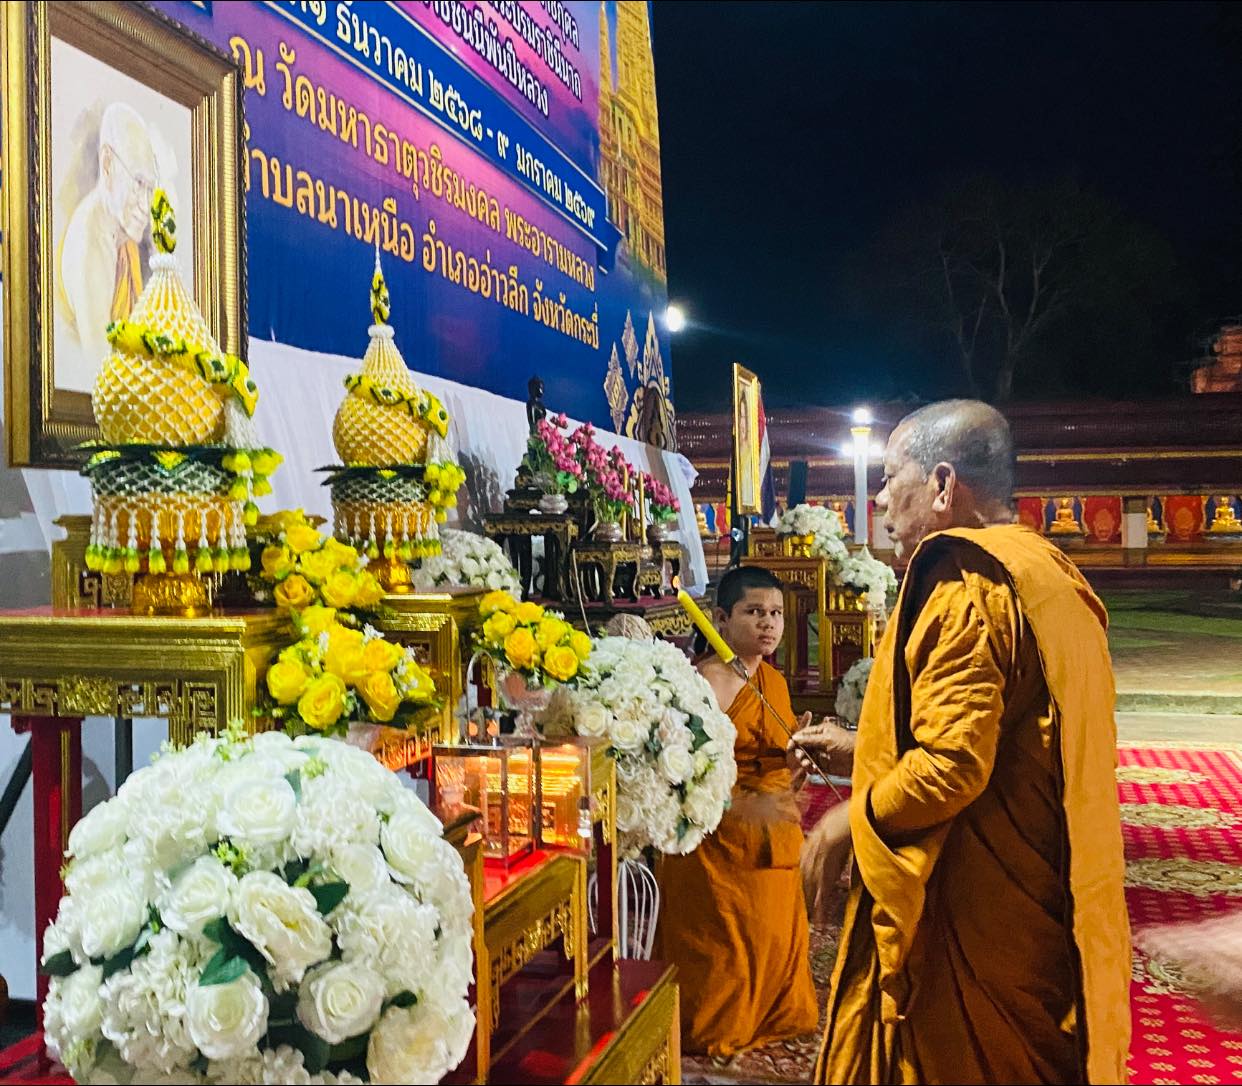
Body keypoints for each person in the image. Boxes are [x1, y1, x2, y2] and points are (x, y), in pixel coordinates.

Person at [804, 399, 1131, 1085]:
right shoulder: (1048, 575)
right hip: (1044, 904)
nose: (882, 498)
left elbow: (952, 766)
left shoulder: (967, 582)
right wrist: (864, 747)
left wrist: (846, 821)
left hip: (975, 923)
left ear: (944, 487)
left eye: (893, 477)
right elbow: (1010, 736)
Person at [656, 565, 819, 1059]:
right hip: (723, 831)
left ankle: (774, 1009)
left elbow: (776, 747)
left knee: (775, 927)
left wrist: (799, 749)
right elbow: (688, 762)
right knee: (729, 936)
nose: (768, 624)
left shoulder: (771, 679)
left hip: (774, 825)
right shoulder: (709, 680)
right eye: (754, 613)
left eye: (775, 614)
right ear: (721, 619)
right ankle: (722, 1018)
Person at [58, 102, 158, 374]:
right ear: (107, 164)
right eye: (138, 184)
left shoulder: (123, 236)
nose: (145, 205)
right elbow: (100, 378)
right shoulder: (90, 239)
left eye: (150, 189)